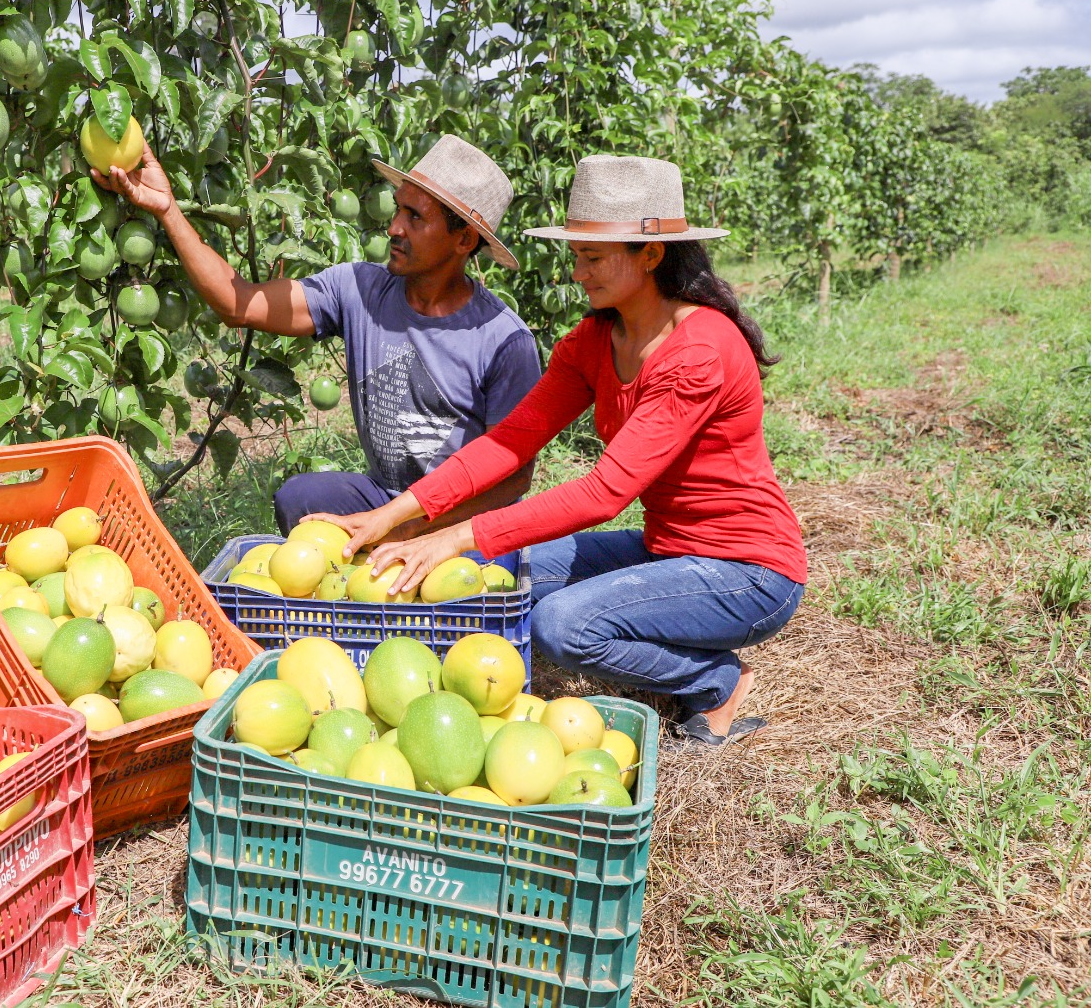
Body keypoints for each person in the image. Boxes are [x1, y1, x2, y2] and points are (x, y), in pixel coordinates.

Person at [307, 155, 808, 747]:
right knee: (493, 574)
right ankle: (669, 644)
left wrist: (454, 534)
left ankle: (715, 680)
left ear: (650, 255)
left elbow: (605, 493)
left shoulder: (700, 352)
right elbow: (509, 442)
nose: (577, 273)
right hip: (666, 548)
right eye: (576, 255)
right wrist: (396, 516)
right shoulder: (595, 340)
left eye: (592, 258)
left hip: (747, 571)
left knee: (560, 625)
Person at [94, 134, 542, 544]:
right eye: (398, 210)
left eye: (415, 217)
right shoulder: (360, 290)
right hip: (384, 496)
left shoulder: (503, 341)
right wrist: (167, 209)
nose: (393, 229)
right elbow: (239, 304)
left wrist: (407, 532)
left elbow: (512, 480)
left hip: (459, 520)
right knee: (300, 498)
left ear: (464, 239)